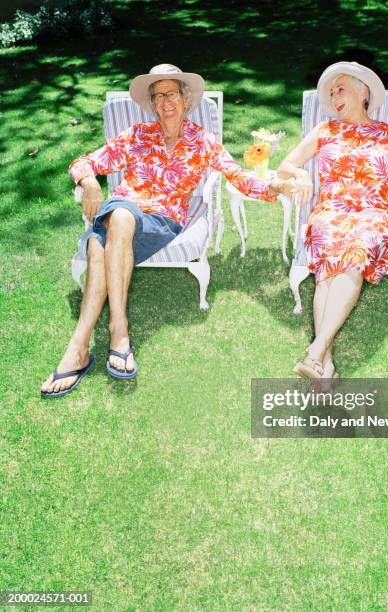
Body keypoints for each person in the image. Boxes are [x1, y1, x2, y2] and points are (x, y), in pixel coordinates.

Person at [41, 64, 293, 397]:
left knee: (97, 247)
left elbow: (236, 175)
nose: (165, 101)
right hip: (120, 213)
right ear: (153, 103)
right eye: (158, 95)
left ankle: (85, 347)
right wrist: (89, 182)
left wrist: (271, 188)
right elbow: (83, 162)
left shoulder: (203, 142)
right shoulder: (136, 136)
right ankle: (111, 334)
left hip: (161, 223)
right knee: (119, 216)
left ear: (185, 99)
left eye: (171, 93)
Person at [277, 61, 388, 379]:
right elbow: (286, 166)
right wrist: (299, 174)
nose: (334, 96)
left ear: (362, 91)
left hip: (373, 212)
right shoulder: (324, 131)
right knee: (326, 271)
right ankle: (325, 366)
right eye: (331, 92)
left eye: (341, 89)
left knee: (352, 256)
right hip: (330, 212)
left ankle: (316, 351)